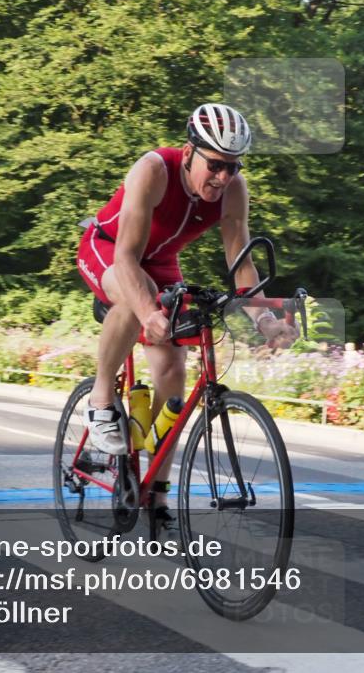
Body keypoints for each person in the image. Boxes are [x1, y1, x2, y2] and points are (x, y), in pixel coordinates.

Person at [76, 103, 298, 521]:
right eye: (214, 164)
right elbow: (126, 259)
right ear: (190, 151)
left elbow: (241, 260)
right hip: (109, 248)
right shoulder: (154, 170)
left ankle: (156, 485)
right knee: (130, 299)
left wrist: (263, 318)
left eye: (232, 167)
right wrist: (146, 312)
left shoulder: (234, 189)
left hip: (162, 264)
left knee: (174, 371)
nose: (222, 177)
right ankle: (101, 396)